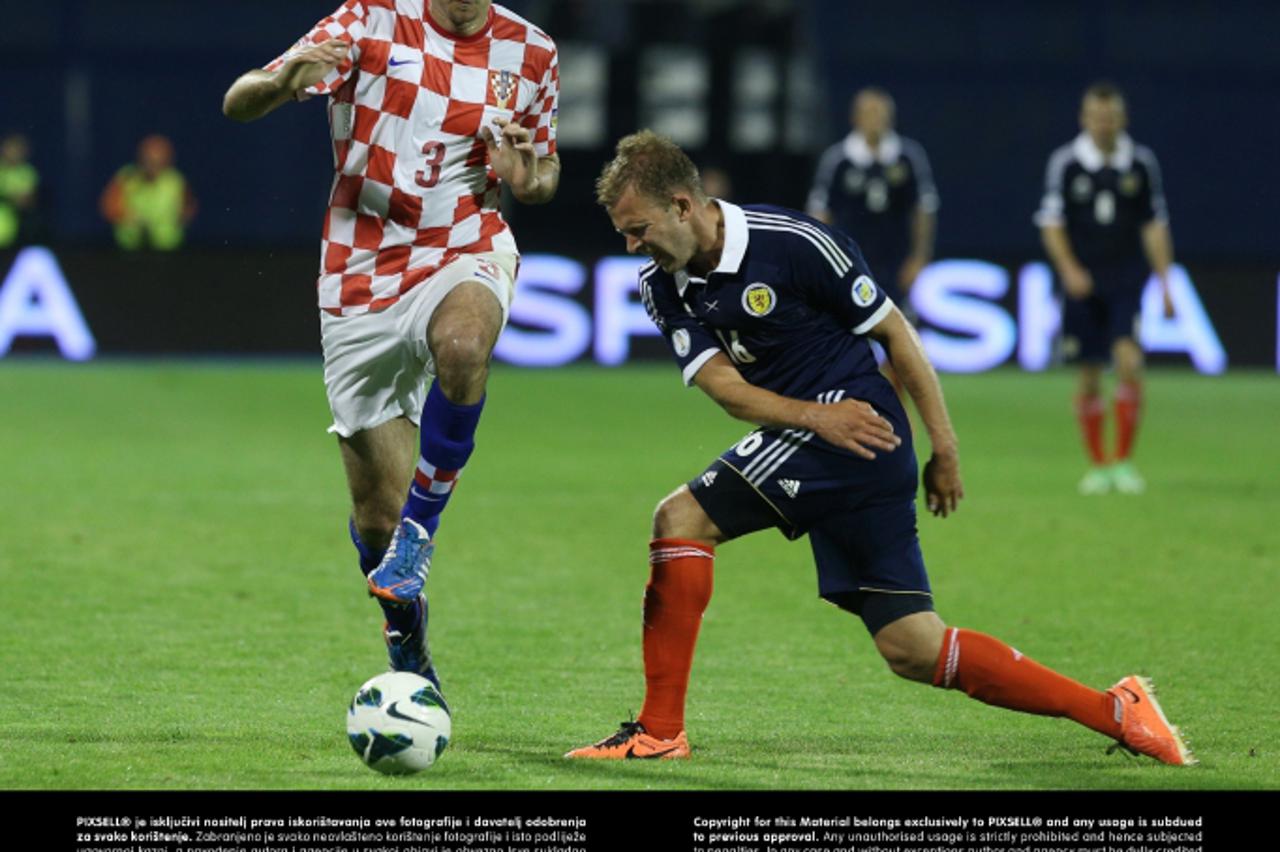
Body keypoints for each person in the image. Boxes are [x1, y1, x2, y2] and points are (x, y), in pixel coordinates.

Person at [565, 130, 1193, 767]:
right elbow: (726, 390)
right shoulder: (662, 285)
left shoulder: (795, 243)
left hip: (858, 429)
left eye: (638, 229)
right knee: (914, 648)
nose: (632, 245)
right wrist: (816, 418)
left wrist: (944, 447)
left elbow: (896, 333)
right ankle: (1116, 710)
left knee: (680, 519)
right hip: (824, 432)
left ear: (681, 206)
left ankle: (659, 732)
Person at [222, 0, 560, 691]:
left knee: (463, 345)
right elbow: (238, 102)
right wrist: (282, 84)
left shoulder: (533, 51)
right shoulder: (368, 19)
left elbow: (546, 167)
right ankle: (404, 622)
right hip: (361, 271)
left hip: (464, 245)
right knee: (376, 515)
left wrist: (531, 179)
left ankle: (419, 536)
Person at [1035, 82, 1174, 496]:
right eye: (1097, 117)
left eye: (1110, 117)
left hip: (1126, 278)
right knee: (1090, 373)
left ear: (1122, 119)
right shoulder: (1066, 163)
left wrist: (1165, 281)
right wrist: (1069, 270)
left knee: (1129, 362)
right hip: (1083, 282)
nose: (1103, 124)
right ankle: (1098, 465)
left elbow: (1153, 224)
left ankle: (1124, 462)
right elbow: (1052, 223)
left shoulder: (1140, 163)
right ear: (1085, 119)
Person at [807, 87, 938, 322]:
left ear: (891, 118)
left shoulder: (908, 156)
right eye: (868, 113)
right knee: (848, 321)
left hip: (896, 259)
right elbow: (820, 212)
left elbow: (923, 209)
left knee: (900, 323)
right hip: (849, 259)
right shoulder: (838, 160)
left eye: (880, 113)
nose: (875, 120)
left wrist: (919, 257)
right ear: (855, 118)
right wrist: (820, 260)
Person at [99, 134, 198, 251]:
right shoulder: (126, 177)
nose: (152, 165)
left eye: (158, 160)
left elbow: (189, 209)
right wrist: (128, 218)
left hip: (168, 249)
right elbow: (109, 207)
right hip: (129, 249)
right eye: (148, 160)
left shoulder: (176, 181)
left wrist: (171, 221)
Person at [0, 134, 39, 249]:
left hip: (15, 234)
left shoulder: (27, 172)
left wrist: (8, 197)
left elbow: (27, 202)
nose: (12, 152)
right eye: (9, 148)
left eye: (16, 149)